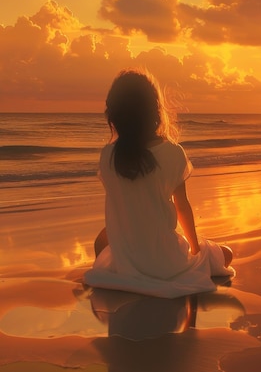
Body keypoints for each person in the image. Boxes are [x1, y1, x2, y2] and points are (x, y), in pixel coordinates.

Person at [84, 69, 234, 298]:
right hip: (165, 260)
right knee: (225, 254)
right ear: (154, 110)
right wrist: (195, 249)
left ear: (113, 115)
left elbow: (126, 204)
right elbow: (182, 206)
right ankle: (190, 257)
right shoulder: (172, 152)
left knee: (101, 243)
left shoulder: (108, 156)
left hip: (128, 258)